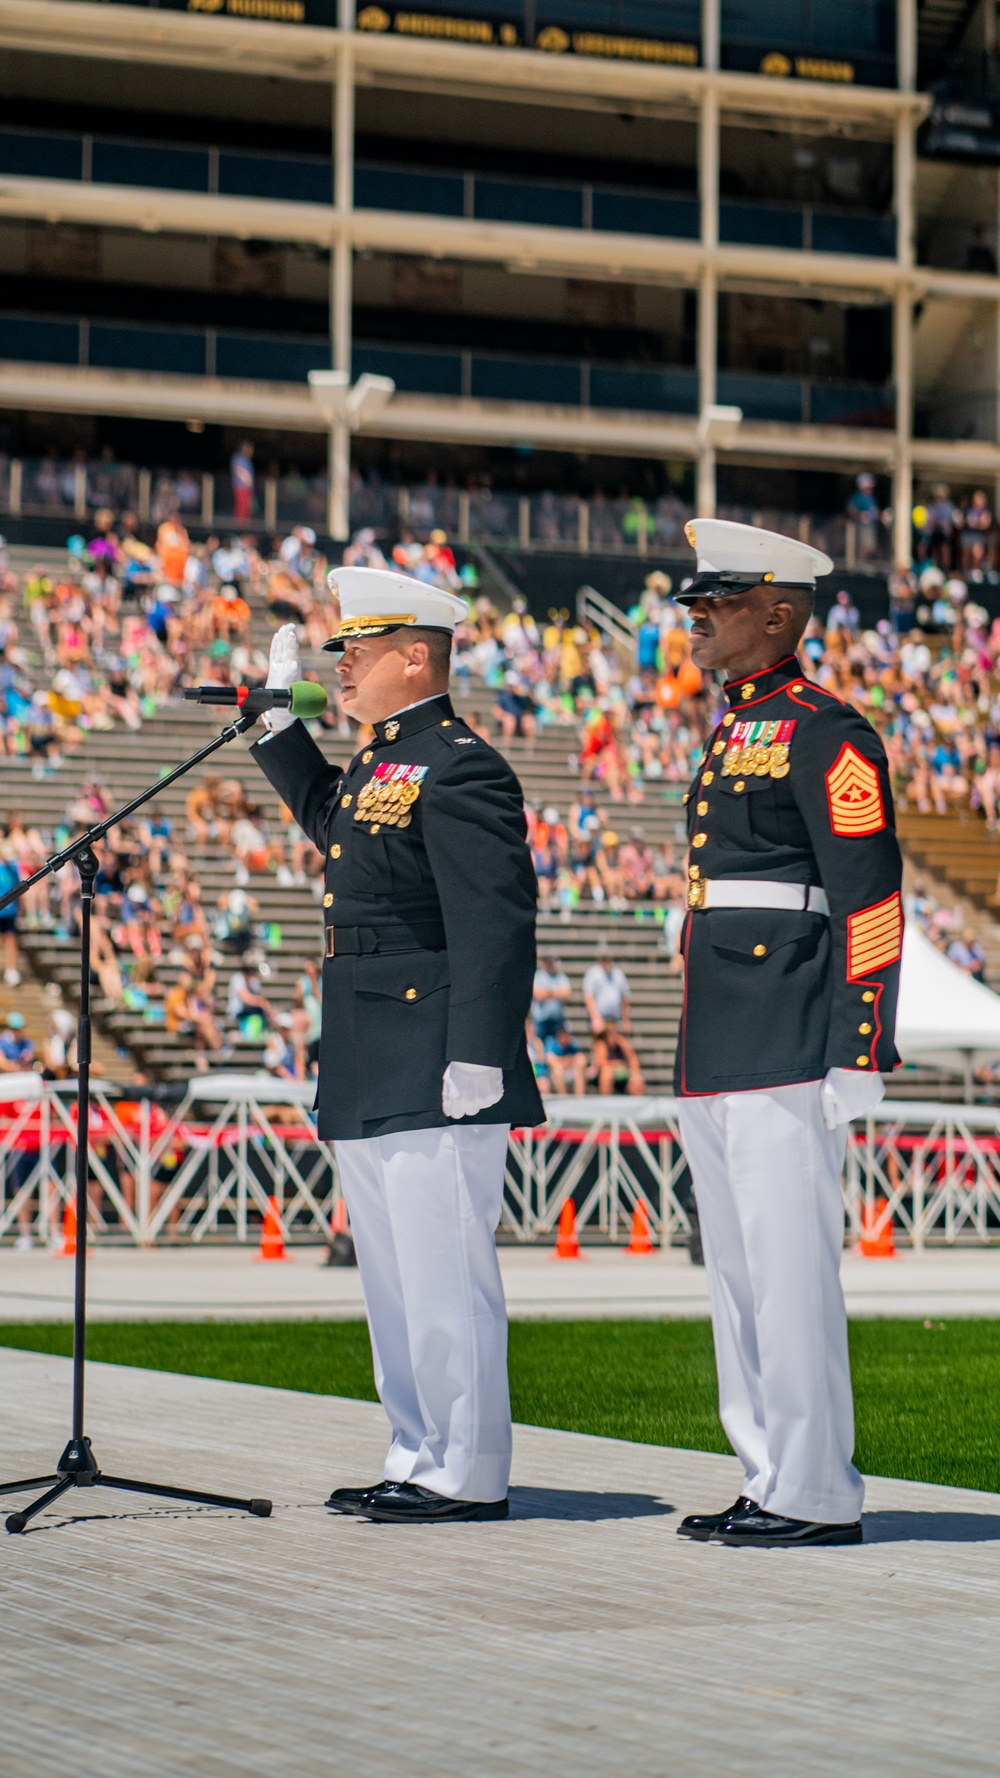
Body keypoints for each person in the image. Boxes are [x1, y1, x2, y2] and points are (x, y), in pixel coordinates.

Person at [250, 565, 543, 1524]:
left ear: (415, 657)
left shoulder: (462, 766)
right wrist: (278, 730)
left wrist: (480, 1053)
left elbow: (496, 922)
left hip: (436, 1049)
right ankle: (416, 1450)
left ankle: (467, 1465)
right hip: (374, 1040)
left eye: (358, 650)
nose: (342, 666)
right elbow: (334, 827)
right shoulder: (379, 766)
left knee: (442, 1269)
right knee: (390, 1273)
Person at [671, 518, 902, 1550]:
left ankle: (815, 1485)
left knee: (788, 1269)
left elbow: (867, 894)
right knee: (735, 1273)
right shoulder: (735, 724)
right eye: (696, 603)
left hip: (788, 1027)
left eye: (715, 603)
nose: (697, 618)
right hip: (721, 1029)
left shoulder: (826, 729)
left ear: (777, 612)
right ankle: (767, 1470)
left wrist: (860, 1043)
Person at [582, 945, 631, 1035]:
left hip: (615, 1020)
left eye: (607, 959)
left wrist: (626, 1020)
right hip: (599, 1019)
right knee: (601, 1047)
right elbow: (589, 997)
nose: (605, 962)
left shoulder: (618, 974)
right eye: (603, 959)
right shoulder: (592, 974)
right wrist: (595, 1017)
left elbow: (624, 998)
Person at [531, 953, 572, 1045]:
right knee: (540, 1046)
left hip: (557, 1021)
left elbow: (566, 994)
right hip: (541, 1021)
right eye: (547, 961)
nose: (549, 964)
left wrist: (548, 993)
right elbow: (538, 995)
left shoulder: (561, 977)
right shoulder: (537, 976)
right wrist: (556, 993)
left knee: (555, 1048)